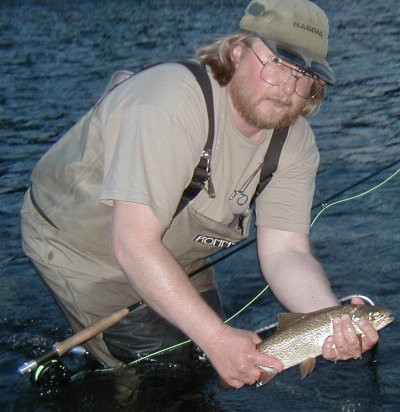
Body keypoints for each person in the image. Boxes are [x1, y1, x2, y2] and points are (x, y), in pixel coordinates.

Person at [21, 0, 379, 389]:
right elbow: (132, 244)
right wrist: (214, 337)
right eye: (276, 64)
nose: (288, 89)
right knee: (166, 374)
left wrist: (330, 321)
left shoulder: (295, 142)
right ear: (238, 51)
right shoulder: (168, 104)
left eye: (303, 75)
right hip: (84, 246)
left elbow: (286, 252)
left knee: (203, 362)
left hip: (171, 246)